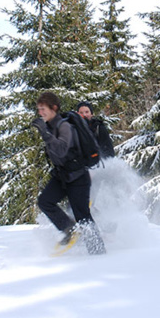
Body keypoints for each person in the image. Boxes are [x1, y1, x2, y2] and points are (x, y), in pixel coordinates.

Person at [31, 92, 106, 254]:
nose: (40, 113)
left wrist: (46, 134)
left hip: (78, 178)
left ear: (54, 108)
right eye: (39, 109)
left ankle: (98, 251)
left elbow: (62, 150)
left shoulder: (65, 126)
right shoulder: (51, 126)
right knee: (45, 201)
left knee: (83, 216)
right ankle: (68, 228)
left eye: (43, 109)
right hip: (62, 176)